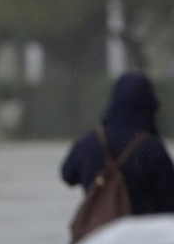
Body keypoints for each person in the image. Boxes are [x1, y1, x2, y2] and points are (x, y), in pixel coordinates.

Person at [61, 72, 174, 217]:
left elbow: (68, 175)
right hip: (142, 234)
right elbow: (169, 198)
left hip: (98, 234)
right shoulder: (151, 148)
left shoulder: (91, 141)